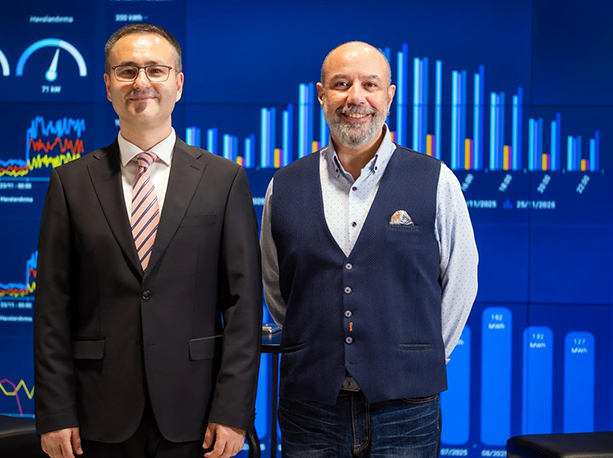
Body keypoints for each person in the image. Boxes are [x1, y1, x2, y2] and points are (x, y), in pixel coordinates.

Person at [34, 23, 261, 458]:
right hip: (96, 413)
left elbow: (243, 306)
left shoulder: (223, 179)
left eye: (156, 70)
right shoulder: (70, 183)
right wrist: (55, 413)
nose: (142, 82)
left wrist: (233, 411)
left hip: (196, 414)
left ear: (179, 84)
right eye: (127, 71)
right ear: (108, 85)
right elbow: (51, 309)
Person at [260, 41, 478, 457]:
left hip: (407, 410)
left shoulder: (437, 180)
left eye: (370, 85)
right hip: (311, 409)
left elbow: (462, 280)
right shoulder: (284, 186)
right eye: (341, 84)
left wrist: (419, 357)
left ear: (389, 96)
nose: (355, 97)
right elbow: (276, 285)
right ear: (321, 95)